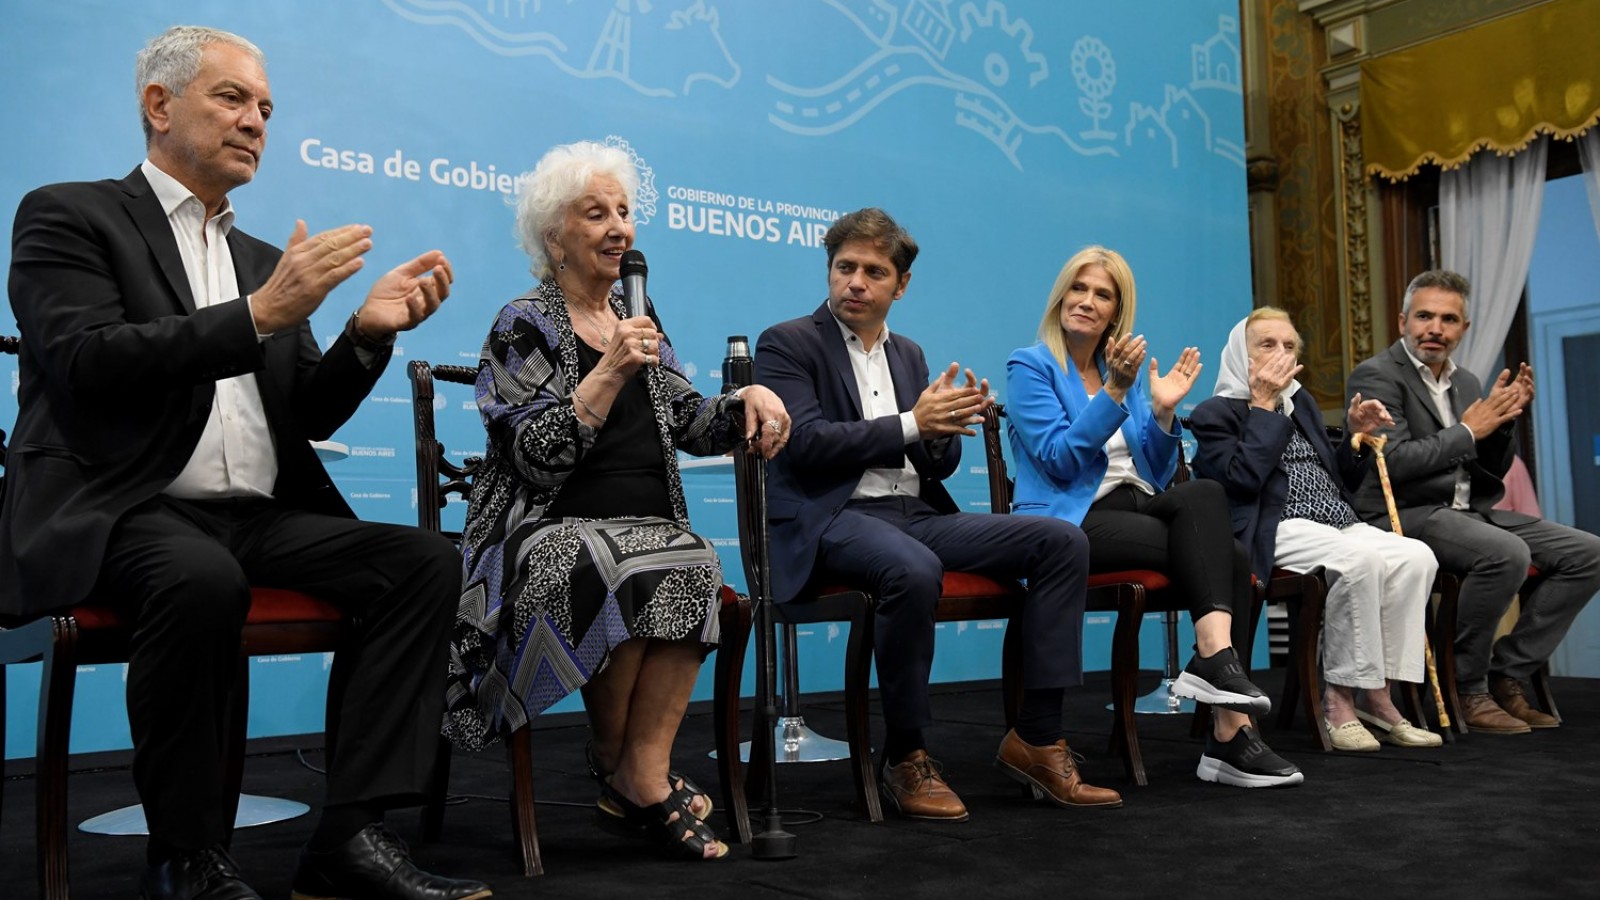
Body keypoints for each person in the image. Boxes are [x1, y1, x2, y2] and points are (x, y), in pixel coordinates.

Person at [1, 26, 489, 900]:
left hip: (253, 514)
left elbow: (307, 411)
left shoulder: (262, 260)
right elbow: (85, 360)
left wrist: (365, 334)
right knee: (199, 577)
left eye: (265, 108)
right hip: (123, 503)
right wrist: (257, 317)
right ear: (159, 106)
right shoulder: (68, 214)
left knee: (423, 562)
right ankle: (188, 855)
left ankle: (349, 837)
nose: (256, 121)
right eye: (233, 99)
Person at [443, 141, 789, 861]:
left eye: (625, 212)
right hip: (540, 533)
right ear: (554, 237)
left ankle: (639, 769)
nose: (618, 228)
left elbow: (690, 418)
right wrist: (605, 375)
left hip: (642, 533)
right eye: (595, 213)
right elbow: (533, 457)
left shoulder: (639, 316)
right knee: (620, 560)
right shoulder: (524, 322)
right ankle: (622, 766)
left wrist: (745, 399)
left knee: (688, 556)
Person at [754, 207, 1121, 822]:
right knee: (914, 568)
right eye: (845, 268)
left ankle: (1037, 738)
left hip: (914, 512)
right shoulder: (787, 343)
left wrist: (948, 428)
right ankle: (906, 755)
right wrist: (910, 423)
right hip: (831, 517)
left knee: (1061, 541)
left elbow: (935, 465)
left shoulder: (910, 355)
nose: (856, 282)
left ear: (901, 285)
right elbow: (806, 445)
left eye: (874, 271)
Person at [1005, 246, 1302, 788]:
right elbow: (1060, 459)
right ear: (1061, 295)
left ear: (1117, 311)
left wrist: (1162, 411)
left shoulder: (1123, 370)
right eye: (1079, 288)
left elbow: (1159, 471)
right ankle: (1230, 734)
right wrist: (1115, 392)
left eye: (1102, 294)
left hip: (1137, 505)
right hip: (1070, 519)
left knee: (1208, 501)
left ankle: (1218, 676)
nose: (1087, 302)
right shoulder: (1031, 365)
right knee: (1230, 558)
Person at [1346, 270, 1600, 733]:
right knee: (1506, 553)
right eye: (1424, 316)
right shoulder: (1377, 375)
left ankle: (1508, 673)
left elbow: (1488, 470)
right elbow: (1395, 463)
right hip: (1403, 513)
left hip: (1468, 510)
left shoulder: (1466, 381)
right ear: (1403, 320)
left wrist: (1503, 423)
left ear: (1464, 329)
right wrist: (1469, 430)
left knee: (1588, 553)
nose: (1435, 329)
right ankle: (1466, 684)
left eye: (1448, 319)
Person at [1190, 309, 1442, 751]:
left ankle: (1377, 696)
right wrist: (1264, 407)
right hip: (1277, 527)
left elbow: (1337, 480)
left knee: (1417, 556)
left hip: (1337, 522)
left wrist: (1356, 438)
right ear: (1240, 355)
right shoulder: (1216, 413)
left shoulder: (1301, 403)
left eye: (1289, 347)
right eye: (1267, 345)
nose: (1281, 355)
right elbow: (1242, 481)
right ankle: (1338, 703)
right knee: (1359, 562)